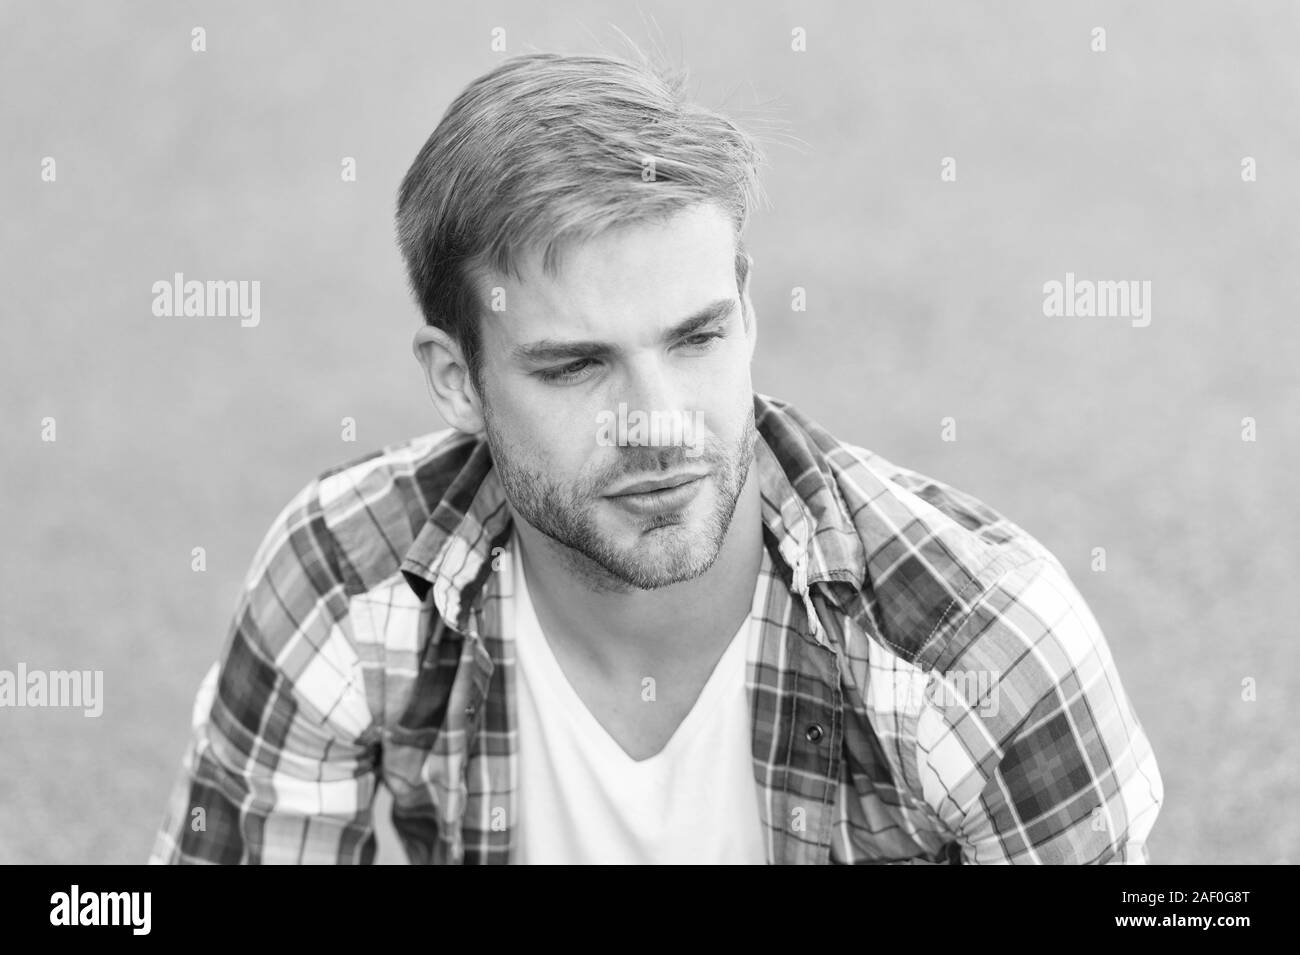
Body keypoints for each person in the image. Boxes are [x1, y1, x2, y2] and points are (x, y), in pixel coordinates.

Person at [149, 50, 1163, 864]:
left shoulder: (981, 648)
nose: (659, 424)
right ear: (458, 381)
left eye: (696, 337)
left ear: (746, 311)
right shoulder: (346, 584)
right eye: (576, 366)